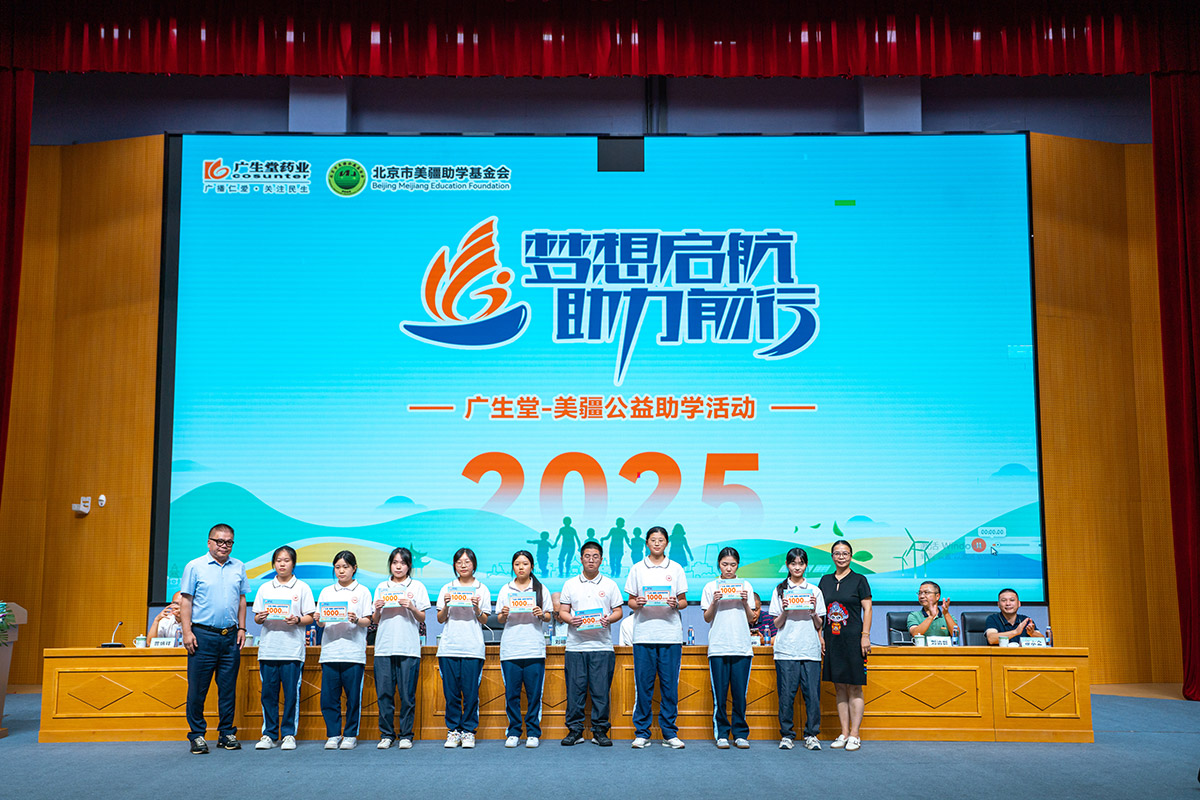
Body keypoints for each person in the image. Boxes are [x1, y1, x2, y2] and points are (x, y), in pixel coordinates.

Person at [179, 523, 248, 754]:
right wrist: (187, 631)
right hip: (202, 636)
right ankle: (197, 735)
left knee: (228, 689)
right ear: (209, 542)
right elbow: (186, 600)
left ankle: (226, 733)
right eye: (219, 541)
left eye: (228, 542)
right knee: (197, 690)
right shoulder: (195, 566)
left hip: (230, 637)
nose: (224, 546)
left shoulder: (239, 566)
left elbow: (241, 600)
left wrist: (242, 628)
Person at [624, 524, 688, 749]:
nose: (657, 543)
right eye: (653, 540)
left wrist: (675, 603)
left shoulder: (676, 568)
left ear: (666, 543)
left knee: (669, 687)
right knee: (644, 686)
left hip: (670, 635)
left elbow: (683, 601)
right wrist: (638, 603)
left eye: (661, 540)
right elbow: (630, 601)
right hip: (644, 635)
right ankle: (642, 732)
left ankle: (669, 733)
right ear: (647, 543)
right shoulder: (637, 568)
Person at [558, 541, 623, 747]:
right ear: (581, 559)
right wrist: (571, 620)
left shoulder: (610, 585)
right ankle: (575, 731)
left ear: (601, 560)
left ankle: (600, 731)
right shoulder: (570, 584)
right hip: (575, 647)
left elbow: (618, 611)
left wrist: (608, 619)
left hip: (602, 647)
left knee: (600, 692)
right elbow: (563, 611)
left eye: (595, 556)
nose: (591, 560)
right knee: (574, 692)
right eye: (587, 556)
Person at [251, 545, 315, 751]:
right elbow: (256, 617)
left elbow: (310, 617)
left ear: (293, 564)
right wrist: (260, 618)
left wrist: (297, 620)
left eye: (286, 560)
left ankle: (288, 734)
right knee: (268, 694)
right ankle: (269, 734)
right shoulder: (265, 588)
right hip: (268, 649)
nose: (282, 564)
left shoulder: (302, 588)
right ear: (273, 564)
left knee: (290, 695)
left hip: (292, 651)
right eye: (278, 560)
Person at [372, 546, 431, 750]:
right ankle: (387, 734)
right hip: (384, 647)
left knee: (407, 695)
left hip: (408, 647)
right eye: (395, 563)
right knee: (384, 694)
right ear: (390, 565)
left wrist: (412, 606)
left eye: (403, 563)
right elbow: (375, 619)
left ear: (409, 566)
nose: (398, 567)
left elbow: (422, 617)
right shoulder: (382, 587)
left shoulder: (417, 586)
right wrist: (377, 609)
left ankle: (406, 735)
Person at [314, 550, 374, 750]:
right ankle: (333, 734)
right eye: (338, 567)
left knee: (353, 697)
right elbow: (321, 623)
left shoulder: (362, 591)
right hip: (330, 652)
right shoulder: (326, 592)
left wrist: (356, 619)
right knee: (329, 697)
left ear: (354, 568)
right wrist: (318, 619)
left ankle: (350, 735)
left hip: (353, 652)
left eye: (345, 567)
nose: (341, 571)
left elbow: (368, 621)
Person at [817, 539, 872, 752]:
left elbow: (868, 609)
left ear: (851, 556)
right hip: (832, 639)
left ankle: (855, 735)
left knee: (855, 686)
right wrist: (820, 635)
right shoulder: (825, 580)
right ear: (832, 557)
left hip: (854, 640)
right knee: (839, 686)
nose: (841, 557)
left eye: (845, 553)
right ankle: (844, 733)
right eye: (837, 553)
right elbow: (820, 611)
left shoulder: (859, 580)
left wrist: (865, 636)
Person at [701, 547, 758, 750]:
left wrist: (744, 602)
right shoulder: (710, 586)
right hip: (719, 646)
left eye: (732, 565)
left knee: (740, 694)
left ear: (738, 565)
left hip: (741, 646)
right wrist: (714, 602)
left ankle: (740, 734)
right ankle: (722, 734)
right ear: (719, 564)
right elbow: (707, 617)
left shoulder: (745, 586)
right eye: (725, 564)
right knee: (720, 694)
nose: (728, 568)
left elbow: (752, 618)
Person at [770, 547, 825, 751]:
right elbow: (776, 624)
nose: (797, 567)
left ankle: (811, 735)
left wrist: (813, 611)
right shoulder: (780, 590)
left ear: (806, 565)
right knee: (786, 695)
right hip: (786, 649)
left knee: (813, 696)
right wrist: (785, 611)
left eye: (801, 564)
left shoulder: (814, 591)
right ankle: (787, 735)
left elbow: (819, 624)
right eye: (793, 563)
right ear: (787, 565)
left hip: (810, 649)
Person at [436, 547, 492, 749]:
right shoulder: (447, 588)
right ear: (454, 565)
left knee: (470, 694)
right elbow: (440, 619)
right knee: (451, 694)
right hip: (449, 647)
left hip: (472, 648)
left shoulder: (482, 588)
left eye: (467, 562)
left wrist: (476, 608)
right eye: (459, 562)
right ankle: (453, 731)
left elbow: (484, 619)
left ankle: (468, 731)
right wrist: (446, 606)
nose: (463, 565)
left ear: (474, 565)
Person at [497, 550, 553, 748]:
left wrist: (541, 613)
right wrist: (504, 614)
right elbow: (500, 619)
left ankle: (533, 732)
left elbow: (549, 616)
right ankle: (513, 732)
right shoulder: (506, 589)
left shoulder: (540, 589)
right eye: (517, 564)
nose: (521, 567)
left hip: (533, 649)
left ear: (532, 566)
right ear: (513, 567)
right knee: (511, 694)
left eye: (525, 564)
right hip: (511, 649)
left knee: (534, 694)